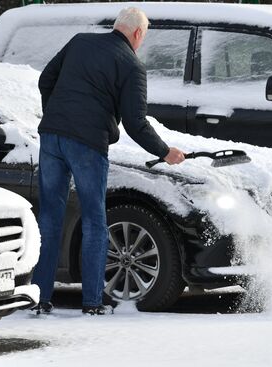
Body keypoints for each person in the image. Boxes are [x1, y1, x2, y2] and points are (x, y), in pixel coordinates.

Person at [33, 7, 185, 316]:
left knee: (49, 218)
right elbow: (136, 123)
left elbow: (45, 80)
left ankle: (41, 298)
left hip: (51, 138)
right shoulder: (131, 65)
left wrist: (57, 115)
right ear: (138, 34)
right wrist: (165, 152)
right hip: (87, 145)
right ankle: (92, 302)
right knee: (94, 221)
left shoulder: (79, 42)